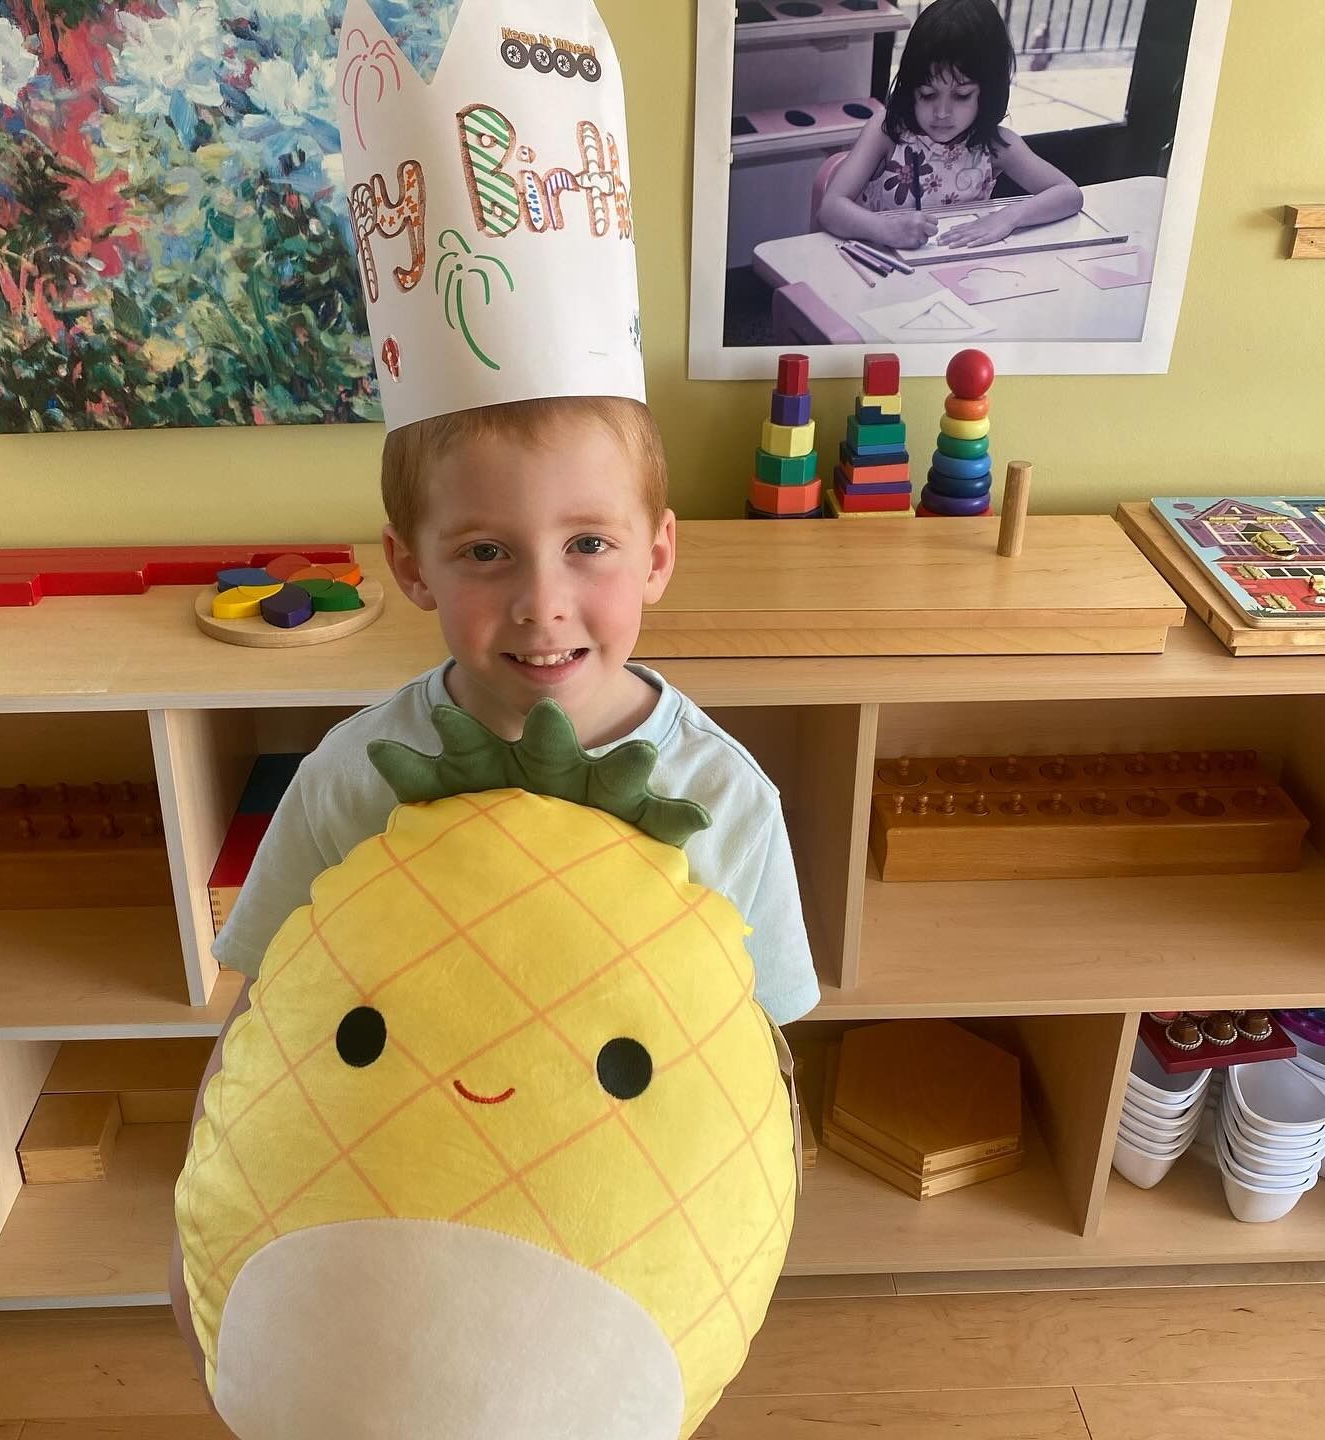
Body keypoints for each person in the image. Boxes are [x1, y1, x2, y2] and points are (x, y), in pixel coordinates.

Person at [169, 0, 819, 1397]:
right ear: (409, 565)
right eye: (484, 553)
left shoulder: (723, 796)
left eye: (588, 544)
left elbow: (753, 1056)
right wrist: (204, 1218)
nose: (542, 601)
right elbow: (271, 1018)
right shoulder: (353, 778)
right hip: (381, 1282)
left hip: (598, 1297)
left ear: (659, 553)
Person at [818, 0, 1083, 251]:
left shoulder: (994, 144)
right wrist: (885, 229)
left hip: (955, 269)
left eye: (962, 95)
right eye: (927, 94)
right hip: (880, 267)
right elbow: (830, 209)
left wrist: (1009, 216)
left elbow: (1069, 194)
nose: (942, 112)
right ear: (911, 88)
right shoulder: (887, 131)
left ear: (988, 92)